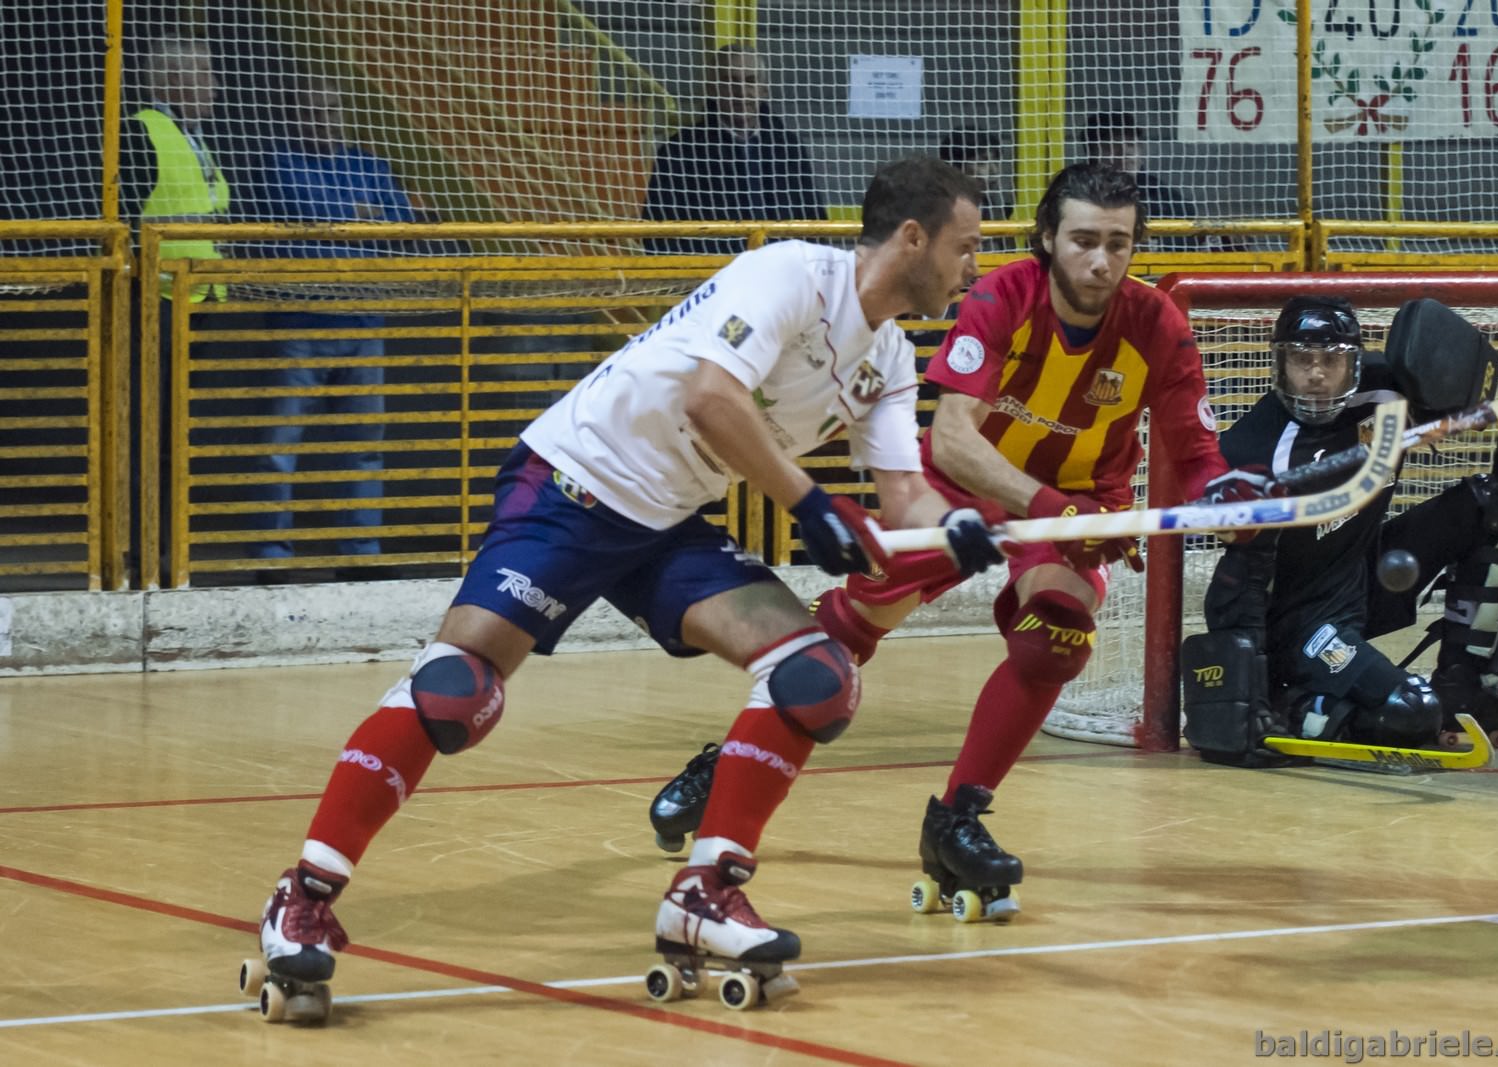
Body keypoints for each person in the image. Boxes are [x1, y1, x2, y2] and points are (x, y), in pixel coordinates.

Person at [253, 156, 1013, 991]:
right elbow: (710, 399)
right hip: (576, 482)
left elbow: (903, 495)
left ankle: (705, 893)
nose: (973, 267)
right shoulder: (790, 274)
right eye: (966, 246)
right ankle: (304, 893)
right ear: (913, 237)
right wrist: (806, 501)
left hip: (667, 523)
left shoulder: (892, 359)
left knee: (814, 675)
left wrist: (958, 527)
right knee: (456, 691)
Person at [648, 162, 1266, 918]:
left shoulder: (1157, 324)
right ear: (1047, 238)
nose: (1101, 261)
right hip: (971, 496)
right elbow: (951, 441)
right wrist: (1048, 507)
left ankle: (957, 818)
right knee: (847, 636)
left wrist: (1226, 500)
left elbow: (1199, 461)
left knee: (1057, 641)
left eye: (1119, 243)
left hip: (1076, 508)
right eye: (1083, 240)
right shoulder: (1003, 295)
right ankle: (729, 762)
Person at [1180, 296, 1498, 765]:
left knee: (1487, 504)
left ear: (1354, 364)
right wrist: (1246, 694)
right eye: (1301, 359)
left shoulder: (1389, 392)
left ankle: (1466, 684)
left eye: (1331, 361)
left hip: (1365, 575)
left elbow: (1470, 390)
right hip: (1302, 624)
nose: (1316, 375)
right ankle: (1292, 706)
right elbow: (1240, 588)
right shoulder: (1256, 458)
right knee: (1410, 713)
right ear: (1280, 364)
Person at [248, 75, 416, 575]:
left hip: (364, 318)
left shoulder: (368, 163)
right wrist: (366, 215)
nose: (324, 118)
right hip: (301, 320)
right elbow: (310, 209)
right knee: (279, 446)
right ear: (295, 116)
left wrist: (366, 216)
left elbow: (401, 220)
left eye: (333, 108)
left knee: (364, 446)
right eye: (312, 109)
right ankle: (271, 557)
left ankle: (361, 557)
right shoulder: (279, 163)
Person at [121, 34, 231, 585]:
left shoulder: (196, 136)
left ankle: (169, 550)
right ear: (173, 80)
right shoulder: (143, 131)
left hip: (197, 303)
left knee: (177, 434)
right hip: (154, 306)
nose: (215, 87)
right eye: (205, 76)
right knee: (148, 432)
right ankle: (143, 553)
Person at [641, 43, 825, 256]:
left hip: (780, 275)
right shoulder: (679, 151)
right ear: (712, 88)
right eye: (730, 81)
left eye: (750, 81)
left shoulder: (788, 148)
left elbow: (813, 220)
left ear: (763, 89)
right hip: (711, 276)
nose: (740, 92)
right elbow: (659, 231)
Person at [1079, 111, 1236, 253]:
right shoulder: (1078, 196)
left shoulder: (1167, 200)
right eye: (1111, 146)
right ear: (1091, 154)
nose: (1124, 153)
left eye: (1131, 144)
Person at [938, 126, 1013, 249]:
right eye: (982, 162)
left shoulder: (996, 207)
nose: (994, 170)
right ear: (956, 166)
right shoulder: (940, 209)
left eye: (996, 160)